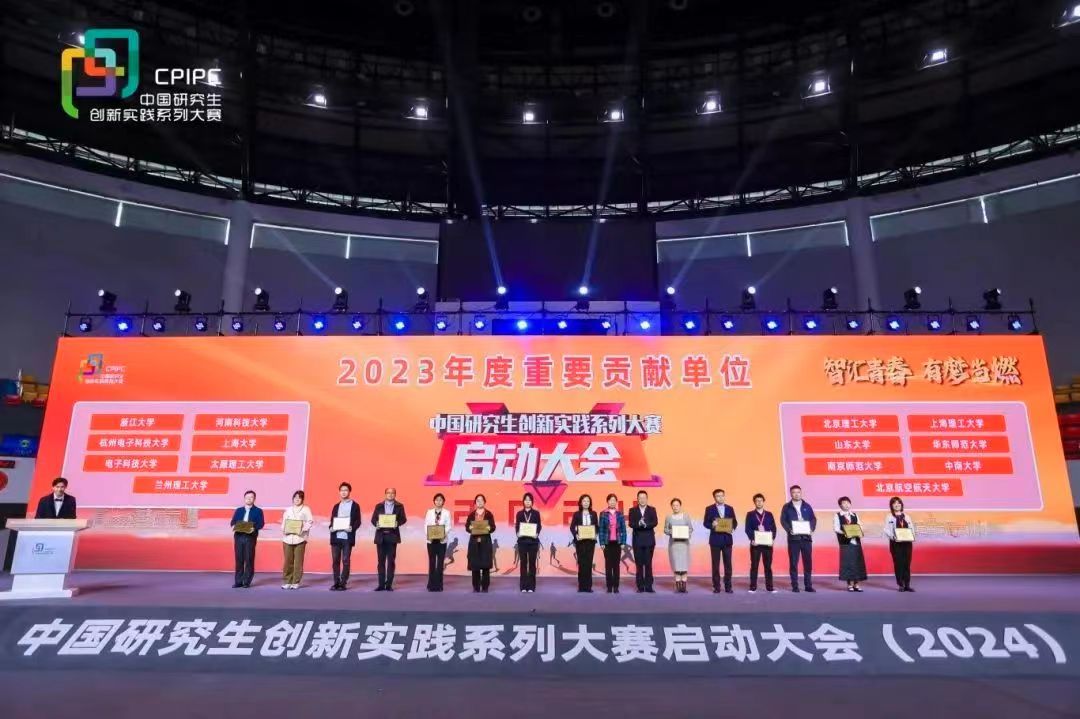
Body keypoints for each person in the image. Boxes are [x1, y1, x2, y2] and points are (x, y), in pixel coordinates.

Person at [780, 484, 817, 593]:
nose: (796, 494)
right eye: (794, 492)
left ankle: (808, 585)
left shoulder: (807, 506)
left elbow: (813, 519)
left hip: (806, 538)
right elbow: (783, 520)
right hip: (793, 539)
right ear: (791, 494)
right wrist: (789, 530)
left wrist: (811, 529)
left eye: (798, 492)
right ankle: (795, 585)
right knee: (793, 563)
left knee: (808, 563)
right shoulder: (786, 507)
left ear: (801, 493)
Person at [371, 487, 407, 591]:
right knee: (381, 562)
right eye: (388, 493)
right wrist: (377, 524)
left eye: (392, 493)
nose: (390, 494)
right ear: (385, 494)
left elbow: (403, 519)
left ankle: (389, 585)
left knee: (391, 561)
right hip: (381, 536)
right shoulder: (379, 506)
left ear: (395, 494)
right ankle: (381, 584)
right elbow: (373, 519)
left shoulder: (399, 506)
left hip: (392, 536)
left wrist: (397, 523)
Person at [703, 488, 738, 594]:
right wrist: (712, 525)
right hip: (715, 540)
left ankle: (728, 586)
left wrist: (732, 528)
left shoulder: (730, 508)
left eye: (722, 495)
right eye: (718, 496)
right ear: (714, 497)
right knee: (715, 565)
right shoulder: (709, 508)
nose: (720, 497)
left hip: (727, 540)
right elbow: (705, 523)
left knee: (728, 565)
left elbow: (735, 522)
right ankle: (716, 586)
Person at [329, 482, 361, 591]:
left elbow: (358, 521)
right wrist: (331, 527)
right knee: (335, 560)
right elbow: (332, 520)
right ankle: (336, 582)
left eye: (346, 490)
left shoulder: (355, 505)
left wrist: (352, 528)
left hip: (347, 537)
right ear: (339, 492)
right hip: (336, 537)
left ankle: (343, 583)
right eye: (342, 490)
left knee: (346, 560)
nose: (343, 492)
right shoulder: (336, 506)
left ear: (349, 492)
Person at [229, 490, 264, 588]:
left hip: (250, 537)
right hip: (239, 536)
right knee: (239, 559)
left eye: (251, 497)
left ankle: (246, 582)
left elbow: (261, 523)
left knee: (249, 559)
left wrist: (254, 528)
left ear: (254, 499)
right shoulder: (239, 510)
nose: (249, 499)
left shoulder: (258, 511)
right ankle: (238, 581)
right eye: (247, 497)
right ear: (244, 499)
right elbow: (233, 522)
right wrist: (233, 526)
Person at [744, 493, 777, 593]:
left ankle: (770, 587)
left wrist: (772, 539)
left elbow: (774, 528)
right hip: (756, 544)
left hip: (767, 544)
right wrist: (752, 539)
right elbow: (748, 529)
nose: (759, 502)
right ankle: (753, 586)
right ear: (754, 502)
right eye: (757, 501)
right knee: (754, 566)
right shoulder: (750, 514)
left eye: (761, 501)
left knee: (768, 566)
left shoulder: (769, 514)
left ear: (763, 502)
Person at [280, 490, 313, 589]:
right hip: (287, 538)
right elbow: (284, 522)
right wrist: (284, 530)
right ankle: (287, 581)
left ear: (302, 499)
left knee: (298, 561)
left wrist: (302, 530)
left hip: (300, 538)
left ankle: (295, 582)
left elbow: (310, 522)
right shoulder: (288, 510)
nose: (297, 499)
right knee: (287, 561)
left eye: (299, 498)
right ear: (293, 499)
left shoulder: (306, 509)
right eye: (295, 497)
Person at [834, 496, 867, 592]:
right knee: (848, 564)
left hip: (856, 541)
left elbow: (860, 525)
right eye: (844, 503)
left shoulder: (854, 515)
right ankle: (850, 584)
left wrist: (860, 531)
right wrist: (845, 532)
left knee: (857, 563)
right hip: (845, 542)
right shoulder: (837, 515)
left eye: (848, 503)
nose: (846, 505)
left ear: (850, 504)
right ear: (840, 505)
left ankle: (857, 584)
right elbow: (836, 528)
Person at [884, 496, 916, 592]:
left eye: (898, 503)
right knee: (898, 564)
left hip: (907, 543)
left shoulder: (907, 516)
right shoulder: (889, 517)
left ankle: (907, 585)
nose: (897, 505)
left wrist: (912, 536)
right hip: (896, 544)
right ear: (891, 506)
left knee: (907, 563)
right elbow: (886, 530)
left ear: (901, 505)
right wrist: (893, 537)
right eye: (894, 503)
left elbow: (912, 528)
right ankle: (900, 584)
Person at [628, 490, 658, 593]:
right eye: (640, 498)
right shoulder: (632, 510)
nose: (642, 500)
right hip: (637, 541)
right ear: (637, 499)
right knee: (639, 564)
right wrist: (638, 524)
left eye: (644, 498)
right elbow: (631, 524)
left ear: (647, 499)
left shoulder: (652, 509)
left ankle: (649, 586)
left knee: (648, 564)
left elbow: (655, 522)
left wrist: (646, 525)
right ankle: (640, 586)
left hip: (649, 540)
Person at [465, 494, 496, 592]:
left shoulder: (488, 514)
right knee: (475, 565)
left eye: (481, 500)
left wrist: (489, 528)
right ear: (475, 503)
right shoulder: (471, 515)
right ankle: (476, 587)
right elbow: (467, 526)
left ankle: (485, 587)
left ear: (484, 502)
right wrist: (469, 528)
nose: (480, 502)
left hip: (485, 541)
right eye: (478, 500)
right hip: (474, 542)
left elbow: (493, 527)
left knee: (485, 565)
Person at [597, 493, 627, 593]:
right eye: (610, 500)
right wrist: (601, 542)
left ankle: (616, 586)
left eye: (614, 500)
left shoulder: (620, 513)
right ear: (607, 502)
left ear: (616, 502)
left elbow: (623, 529)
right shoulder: (603, 513)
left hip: (617, 543)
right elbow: (601, 529)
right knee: (608, 565)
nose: (612, 502)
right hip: (607, 543)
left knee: (616, 565)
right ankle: (609, 586)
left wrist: (623, 542)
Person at [569, 494, 599, 593]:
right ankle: (581, 586)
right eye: (584, 501)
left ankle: (588, 587)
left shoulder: (594, 514)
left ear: (590, 503)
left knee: (589, 563)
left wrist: (595, 534)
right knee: (581, 564)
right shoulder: (577, 514)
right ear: (581, 503)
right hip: (580, 542)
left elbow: (596, 527)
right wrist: (576, 535)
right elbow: (572, 527)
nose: (586, 503)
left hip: (590, 542)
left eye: (588, 501)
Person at [664, 498, 694, 593]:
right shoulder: (669, 517)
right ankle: (678, 586)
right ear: (671, 507)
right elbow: (665, 530)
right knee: (676, 566)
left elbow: (690, 529)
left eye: (677, 505)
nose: (675, 507)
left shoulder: (686, 516)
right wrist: (672, 531)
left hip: (684, 544)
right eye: (673, 505)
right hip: (674, 545)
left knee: (684, 565)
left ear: (680, 506)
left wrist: (686, 533)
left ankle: (684, 586)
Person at [424, 493, 452, 592]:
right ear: (434, 501)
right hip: (431, 541)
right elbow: (426, 525)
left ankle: (439, 585)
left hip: (442, 541)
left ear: (443, 502)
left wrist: (443, 534)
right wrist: (428, 534)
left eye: (440, 500)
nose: (438, 501)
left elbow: (449, 526)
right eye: (437, 500)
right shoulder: (429, 512)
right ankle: (431, 584)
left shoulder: (447, 513)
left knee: (440, 563)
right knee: (431, 562)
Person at [515, 492, 542, 592]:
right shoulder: (519, 513)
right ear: (523, 501)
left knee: (532, 564)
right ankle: (523, 586)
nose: (527, 502)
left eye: (529, 500)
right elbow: (517, 525)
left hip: (533, 542)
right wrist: (517, 533)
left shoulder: (536, 513)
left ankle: (531, 586)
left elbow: (539, 525)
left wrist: (537, 533)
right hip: (522, 541)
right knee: (523, 563)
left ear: (532, 502)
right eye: (526, 500)